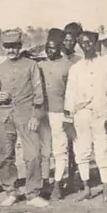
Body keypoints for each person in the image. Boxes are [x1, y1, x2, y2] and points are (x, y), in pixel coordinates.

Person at [0, 29, 48, 208]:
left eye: (14, 46)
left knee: (33, 154)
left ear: (20, 46)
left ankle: (33, 193)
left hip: (27, 116)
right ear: (3, 47)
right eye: (7, 47)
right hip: (3, 117)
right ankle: (11, 191)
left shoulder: (31, 66)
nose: (11, 50)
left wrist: (36, 116)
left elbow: (39, 93)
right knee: (5, 156)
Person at [64, 31, 107, 203]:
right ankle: (86, 188)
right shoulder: (76, 68)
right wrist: (68, 119)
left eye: (89, 42)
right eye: (82, 43)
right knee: (82, 150)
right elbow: (70, 94)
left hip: (101, 113)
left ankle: (105, 190)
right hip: (81, 114)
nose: (86, 46)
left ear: (96, 43)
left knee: (103, 150)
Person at [37, 29, 73, 200]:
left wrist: (68, 115)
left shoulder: (68, 65)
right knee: (45, 150)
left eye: (53, 48)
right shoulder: (40, 64)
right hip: (43, 113)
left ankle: (58, 183)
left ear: (59, 47)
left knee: (60, 150)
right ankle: (45, 182)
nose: (50, 51)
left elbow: (71, 92)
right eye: (47, 48)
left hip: (60, 113)